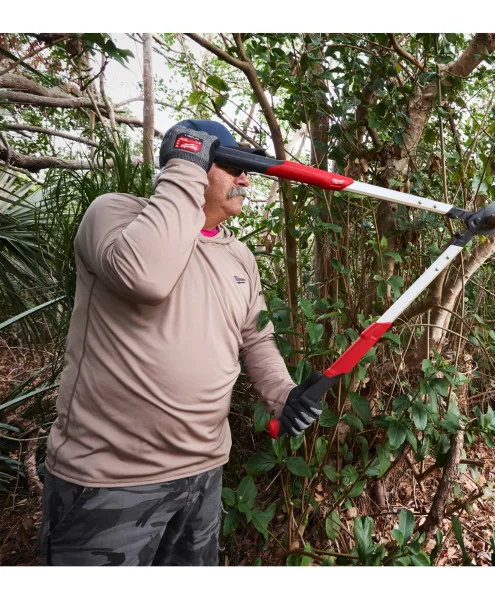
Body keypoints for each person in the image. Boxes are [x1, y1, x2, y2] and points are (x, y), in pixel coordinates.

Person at [39, 120, 325, 566]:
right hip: (109, 478)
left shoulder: (239, 256)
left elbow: (255, 337)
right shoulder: (115, 214)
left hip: (203, 473)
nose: (245, 180)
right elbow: (145, 277)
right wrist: (186, 166)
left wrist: (282, 395)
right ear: (189, 163)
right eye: (233, 166)